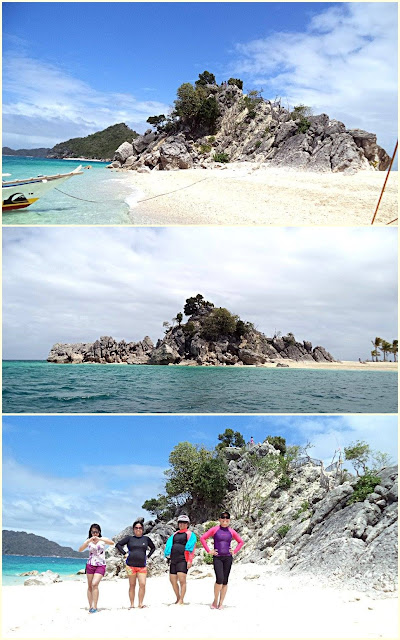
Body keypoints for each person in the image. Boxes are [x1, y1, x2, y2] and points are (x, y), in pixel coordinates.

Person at [200, 511, 244, 610]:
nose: (225, 520)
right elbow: (203, 538)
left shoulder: (231, 531)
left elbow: (241, 542)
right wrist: (209, 551)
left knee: (225, 581)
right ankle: (215, 601)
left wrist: (235, 551)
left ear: (229, 520)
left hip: (228, 557)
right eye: (223, 518)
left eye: (227, 518)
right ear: (219, 519)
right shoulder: (215, 529)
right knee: (219, 579)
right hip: (217, 557)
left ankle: (221, 603)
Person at [115, 520, 155, 608]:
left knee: (142, 584)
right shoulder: (130, 538)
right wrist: (124, 553)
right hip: (130, 566)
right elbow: (118, 545)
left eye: (140, 528)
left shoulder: (146, 539)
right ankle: (132, 604)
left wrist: (148, 556)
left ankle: (140, 603)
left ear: (143, 529)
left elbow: (153, 548)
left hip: (142, 566)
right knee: (132, 585)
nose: (138, 529)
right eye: (136, 528)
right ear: (133, 529)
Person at [79, 523, 114, 613]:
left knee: (95, 584)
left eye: (96, 532)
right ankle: (91, 606)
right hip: (90, 564)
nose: (94, 534)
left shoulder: (102, 540)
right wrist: (88, 541)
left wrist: (99, 538)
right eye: (93, 532)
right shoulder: (88, 541)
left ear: (99, 532)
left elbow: (112, 543)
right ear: (90, 532)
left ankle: (95, 606)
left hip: (101, 565)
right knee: (90, 586)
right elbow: (80, 549)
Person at [164, 514, 196, 605]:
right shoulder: (174, 535)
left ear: (187, 524)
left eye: (184, 522)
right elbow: (169, 545)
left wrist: (190, 560)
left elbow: (192, 548)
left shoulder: (190, 534)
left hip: (183, 559)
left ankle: (181, 600)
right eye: (180, 522)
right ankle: (178, 598)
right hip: (173, 560)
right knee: (172, 580)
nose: (182, 524)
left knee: (182, 580)